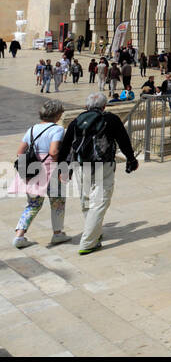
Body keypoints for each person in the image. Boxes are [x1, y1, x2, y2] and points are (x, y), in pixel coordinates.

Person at [64, 92, 140, 255]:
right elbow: (123, 140)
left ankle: (95, 234)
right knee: (99, 203)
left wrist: (64, 169)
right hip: (102, 166)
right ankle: (88, 242)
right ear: (104, 106)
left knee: (86, 200)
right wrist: (131, 159)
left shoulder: (76, 121)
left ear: (87, 106)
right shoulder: (111, 119)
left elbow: (66, 147)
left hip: (80, 166)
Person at [10, 99, 71, 248]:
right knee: (57, 203)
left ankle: (19, 235)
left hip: (33, 170)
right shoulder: (57, 129)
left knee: (33, 204)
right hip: (50, 170)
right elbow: (53, 151)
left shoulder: (32, 129)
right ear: (56, 114)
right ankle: (57, 233)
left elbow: (20, 152)